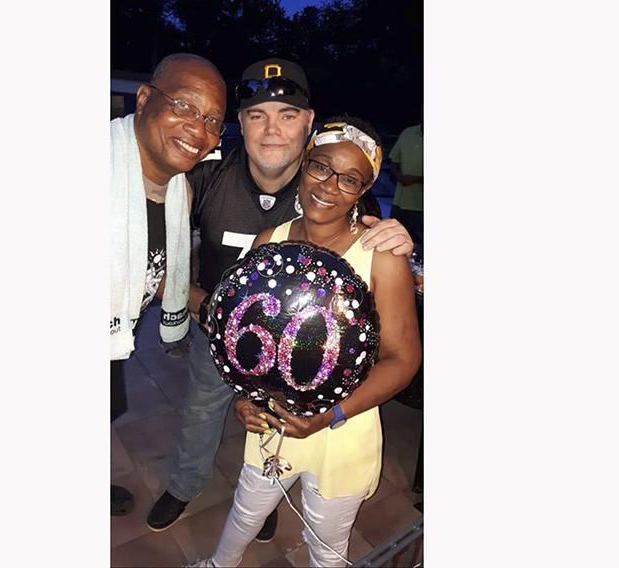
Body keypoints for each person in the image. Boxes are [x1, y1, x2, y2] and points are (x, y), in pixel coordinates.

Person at [146, 57, 414, 539]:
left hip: (307, 359)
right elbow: (158, 258)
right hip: (216, 329)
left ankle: (269, 494)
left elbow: (375, 256)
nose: (272, 130)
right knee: (202, 412)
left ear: (308, 125)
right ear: (240, 124)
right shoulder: (204, 178)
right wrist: (210, 310)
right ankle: (186, 486)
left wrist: (402, 246)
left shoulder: (330, 185)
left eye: (287, 115)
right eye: (256, 115)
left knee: (277, 433)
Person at [190, 117, 422, 568]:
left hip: (343, 427)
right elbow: (242, 333)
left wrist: (328, 415)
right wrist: (244, 396)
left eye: (349, 179)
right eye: (321, 167)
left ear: (362, 191)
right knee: (246, 507)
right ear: (303, 166)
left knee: (326, 546)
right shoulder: (269, 240)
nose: (329, 186)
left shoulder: (380, 256)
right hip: (273, 420)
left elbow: (404, 359)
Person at [110, 53, 227, 515]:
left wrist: (210, 308)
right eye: (183, 105)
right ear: (143, 100)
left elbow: (152, 268)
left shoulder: (177, 190)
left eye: (213, 119)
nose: (198, 130)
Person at [389, 122, 423, 250]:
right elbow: (394, 159)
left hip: (421, 206)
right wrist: (398, 175)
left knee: (418, 248)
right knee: (394, 242)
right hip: (400, 202)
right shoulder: (408, 132)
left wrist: (417, 179)